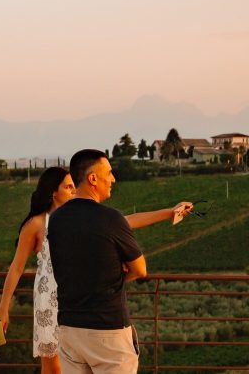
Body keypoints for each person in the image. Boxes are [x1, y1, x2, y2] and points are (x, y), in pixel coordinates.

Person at [0, 166, 192, 374]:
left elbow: (128, 221)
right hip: (49, 297)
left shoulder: (81, 219)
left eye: (74, 186)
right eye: (68, 187)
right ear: (53, 191)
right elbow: (17, 267)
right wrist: (4, 306)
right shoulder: (36, 224)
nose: (73, 191)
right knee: (52, 365)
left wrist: (170, 212)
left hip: (76, 295)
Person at [47, 149, 152, 374]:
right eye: (109, 173)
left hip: (70, 328)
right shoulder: (111, 219)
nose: (113, 179)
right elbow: (140, 269)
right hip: (108, 330)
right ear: (93, 178)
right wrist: (121, 271)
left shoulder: (56, 219)